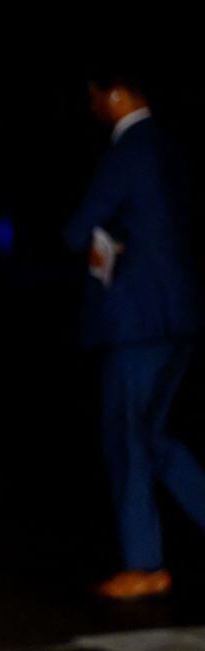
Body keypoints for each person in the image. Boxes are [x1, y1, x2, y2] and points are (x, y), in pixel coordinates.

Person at [63, 63, 205, 599]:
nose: (94, 107)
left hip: (137, 323)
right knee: (157, 439)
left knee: (129, 439)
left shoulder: (127, 150)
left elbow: (78, 230)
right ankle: (148, 558)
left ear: (117, 93)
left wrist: (94, 236)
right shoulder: (170, 149)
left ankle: (144, 564)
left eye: (96, 96)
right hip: (178, 318)